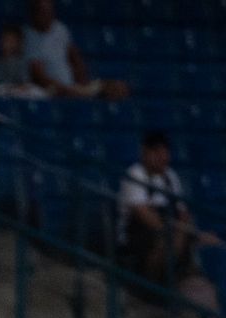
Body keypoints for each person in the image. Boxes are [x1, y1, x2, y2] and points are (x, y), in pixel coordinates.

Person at [117, 132, 194, 283]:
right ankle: (150, 289)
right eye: (157, 152)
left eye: (165, 153)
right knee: (162, 244)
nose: (162, 158)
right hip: (137, 236)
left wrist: (182, 232)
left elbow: (183, 212)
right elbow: (142, 213)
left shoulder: (170, 176)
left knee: (202, 241)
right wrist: (171, 235)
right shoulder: (135, 174)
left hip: (170, 231)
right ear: (144, 152)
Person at [22, 0, 127, 100]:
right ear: (35, 14)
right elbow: (38, 75)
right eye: (44, 12)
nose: (48, 16)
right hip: (50, 90)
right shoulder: (29, 37)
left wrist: (82, 83)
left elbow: (75, 58)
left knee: (118, 88)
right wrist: (65, 89)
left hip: (72, 87)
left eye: (50, 11)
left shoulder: (60, 29)